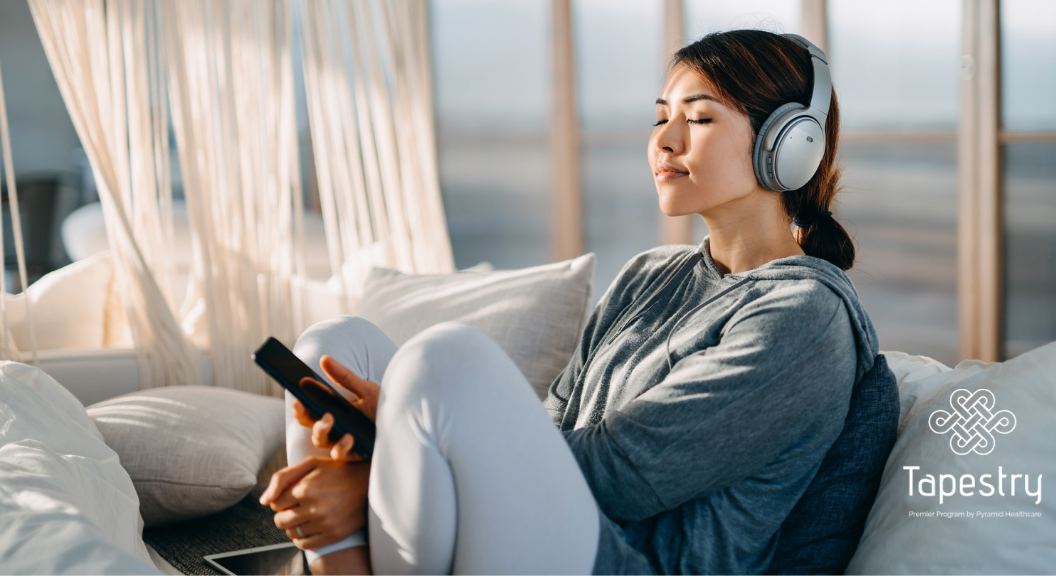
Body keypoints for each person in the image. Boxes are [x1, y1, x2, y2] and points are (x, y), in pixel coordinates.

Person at [259, 29, 883, 575]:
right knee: (329, 346)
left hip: (630, 561)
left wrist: (382, 471)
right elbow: (555, 420)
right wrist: (404, 442)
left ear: (788, 145)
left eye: (697, 119)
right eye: (660, 115)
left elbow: (625, 475)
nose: (663, 141)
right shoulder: (651, 275)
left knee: (443, 361)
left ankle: (357, 523)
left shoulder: (805, 316)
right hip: (541, 528)